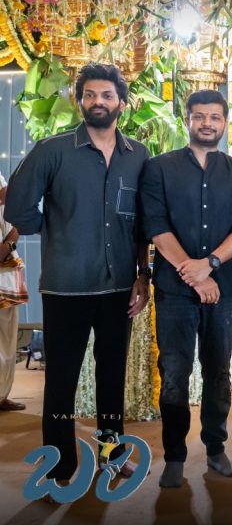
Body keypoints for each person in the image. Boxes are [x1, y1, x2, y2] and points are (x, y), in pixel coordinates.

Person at [4, 62, 151, 482]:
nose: (97, 102)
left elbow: (143, 223)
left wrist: (143, 275)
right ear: (79, 100)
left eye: (106, 95)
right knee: (61, 382)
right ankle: (60, 465)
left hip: (118, 287)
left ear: (122, 103)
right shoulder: (53, 150)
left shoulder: (138, 156)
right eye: (90, 95)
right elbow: (18, 206)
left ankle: (112, 454)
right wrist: (53, 227)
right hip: (66, 286)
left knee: (111, 378)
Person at [140, 90, 232, 488]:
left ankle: (215, 448)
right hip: (174, 290)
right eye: (200, 116)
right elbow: (156, 227)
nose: (208, 123)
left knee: (219, 371)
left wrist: (210, 266)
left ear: (225, 122)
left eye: (215, 117)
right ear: (187, 119)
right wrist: (194, 275)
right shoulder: (159, 168)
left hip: (223, 288)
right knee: (174, 372)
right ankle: (174, 455)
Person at [0, 172, 23, 413]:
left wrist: (8, 244)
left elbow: (18, 220)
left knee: (7, 337)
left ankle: (2, 394)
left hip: (6, 273)